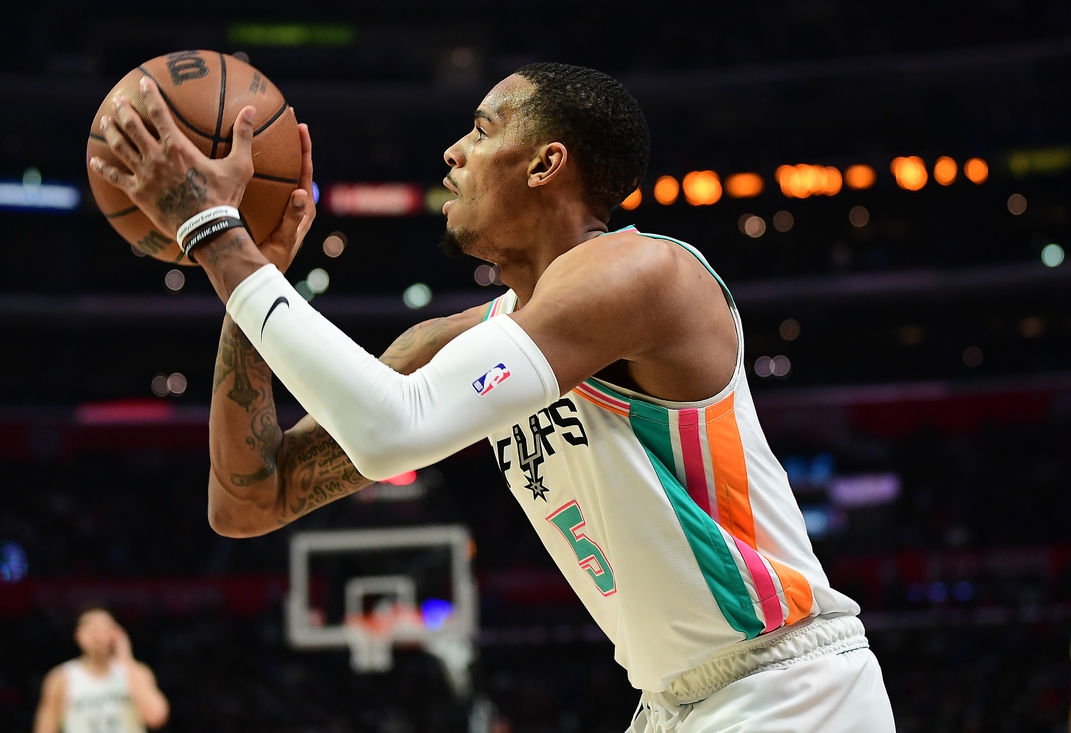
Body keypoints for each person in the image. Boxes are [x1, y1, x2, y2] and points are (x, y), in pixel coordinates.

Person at [90, 62, 895, 731]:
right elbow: (248, 500)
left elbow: (393, 430)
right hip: (676, 701)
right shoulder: (461, 339)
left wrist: (217, 235)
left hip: (789, 686)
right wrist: (250, 270)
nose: (453, 152)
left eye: (480, 130)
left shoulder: (647, 275)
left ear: (545, 163)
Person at [33, 607, 169, 733]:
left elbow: (156, 718)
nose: (98, 636)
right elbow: (45, 729)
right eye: (92, 629)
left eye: (105, 629)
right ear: (78, 635)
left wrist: (125, 658)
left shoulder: (136, 672)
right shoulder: (61, 678)